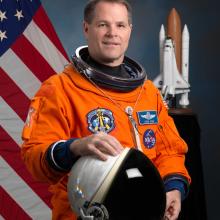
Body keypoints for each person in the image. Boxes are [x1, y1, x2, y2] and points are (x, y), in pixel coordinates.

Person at [21, 0, 191, 219]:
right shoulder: (59, 90)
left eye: (120, 25)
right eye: (103, 24)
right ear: (86, 28)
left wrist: (173, 188)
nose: (113, 33)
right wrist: (75, 147)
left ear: (130, 30)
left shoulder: (147, 92)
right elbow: (34, 157)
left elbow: (170, 151)